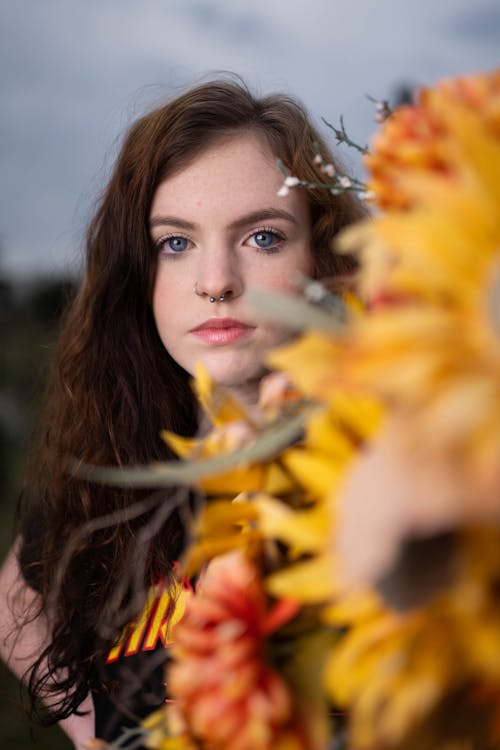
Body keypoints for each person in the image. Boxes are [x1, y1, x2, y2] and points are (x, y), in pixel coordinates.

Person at [0, 76, 365, 748]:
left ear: (325, 255)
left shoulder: (391, 471)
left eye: (261, 238)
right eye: (176, 243)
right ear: (137, 277)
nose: (215, 280)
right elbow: (13, 597)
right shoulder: (116, 463)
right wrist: (94, 735)